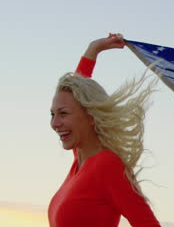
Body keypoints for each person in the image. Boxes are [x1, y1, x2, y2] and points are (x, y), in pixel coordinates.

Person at [48, 34, 161, 227]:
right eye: (52, 114)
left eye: (63, 114)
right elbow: (79, 88)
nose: (54, 123)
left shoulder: (107, 165)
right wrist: (93, 49)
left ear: (91, 116)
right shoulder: (80, 159)